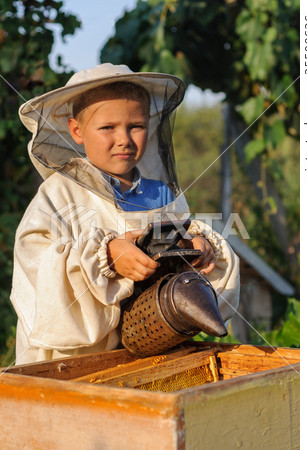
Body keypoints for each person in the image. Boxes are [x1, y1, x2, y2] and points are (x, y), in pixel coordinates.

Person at [10, 63, 240, 364]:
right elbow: (35, 260)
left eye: (136, 126)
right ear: (77, 131)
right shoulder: (60, 194)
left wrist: (195, 248)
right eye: (107, 128)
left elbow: (181, 242)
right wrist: (106, 256)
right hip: (75, 361)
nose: (124, 139)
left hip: (153, 349)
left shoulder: (163, 195)